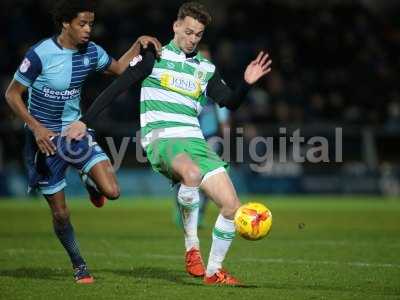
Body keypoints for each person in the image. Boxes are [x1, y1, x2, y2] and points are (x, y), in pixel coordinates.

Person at [66, 2, 272, 286]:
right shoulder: (154, 56)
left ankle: (214, 272)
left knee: (231, 205)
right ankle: (192, 248)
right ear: (175, 26)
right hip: (162, 137)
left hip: (195, 140)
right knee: (192, 174)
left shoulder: (205, 69)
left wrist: (247, 83)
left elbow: (230, 102)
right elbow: (117, 87)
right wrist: (84, 121)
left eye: (198, 34)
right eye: (188, 32)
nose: (192, 39)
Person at [4, 0, 161, 284]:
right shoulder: (40, 54)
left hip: (76, 133)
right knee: (61, 214)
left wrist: (138, 44)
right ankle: (79, 265)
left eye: (91, 23)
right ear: (66, 23)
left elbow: (119, 69)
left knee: (112, 191)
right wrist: (37, 129)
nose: (89, 29)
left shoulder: (92, 51)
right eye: (82, 24)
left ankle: (90, 183)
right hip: (46, 142)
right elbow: (11, 95)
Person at [173, 44, 230, 228]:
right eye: (201, 58)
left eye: (207, 58)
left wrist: (225, 128)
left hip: (210, 135)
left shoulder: (214, 80)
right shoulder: (184, 79)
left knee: (206, 175)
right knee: (185, 175)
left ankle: (199, 213)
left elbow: (223, 107)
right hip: (187, 133)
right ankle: (183, 211)